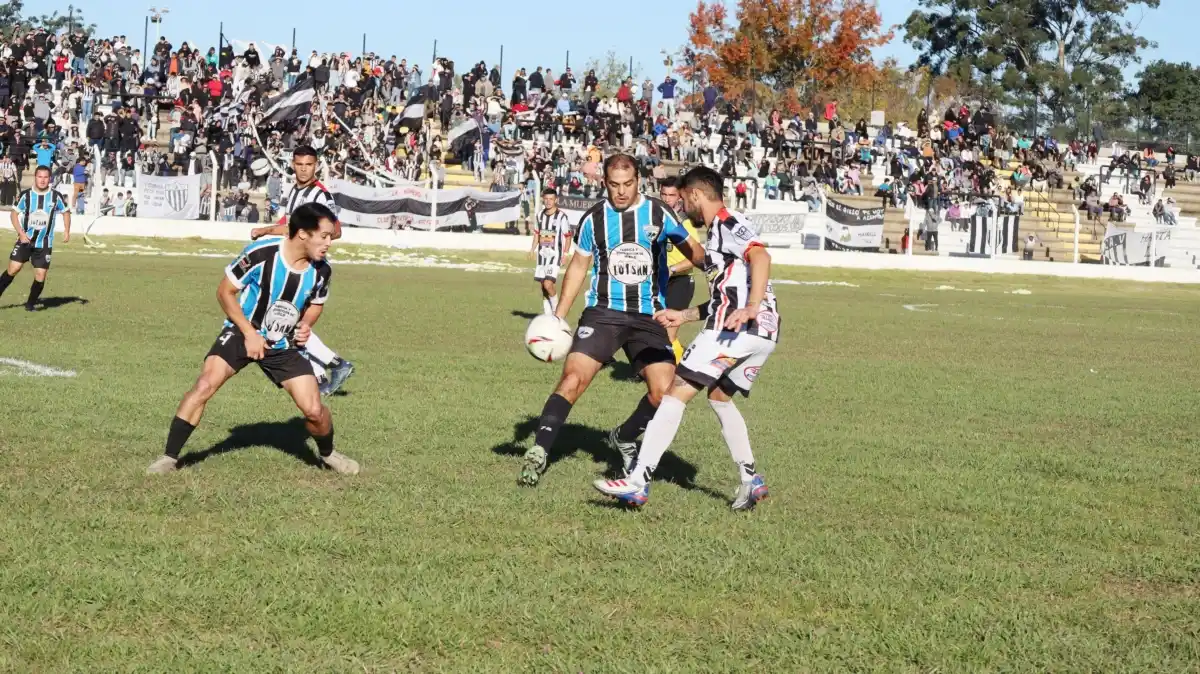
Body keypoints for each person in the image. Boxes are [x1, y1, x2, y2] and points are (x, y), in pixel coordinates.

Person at [593, 166, 781, 510]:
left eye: (683, 199)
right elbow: (727, 293)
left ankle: (637, 482)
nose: (681, 206)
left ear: (696, 195)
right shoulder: (721, 234)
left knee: (673, 393)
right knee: (720, 397)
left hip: (737, 328)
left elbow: (761, 255)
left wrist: (751, 307)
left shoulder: (726, 222)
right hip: (763, 333)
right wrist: (685, 315)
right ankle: (750, 480)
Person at [518, 154, 705, 486]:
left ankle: (624, 435)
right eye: (615, 185)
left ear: (639, 182)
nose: (621, 192)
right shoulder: (594, 219)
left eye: (628, 184)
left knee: (664, 393)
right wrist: (559, 316)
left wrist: (718, 269)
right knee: (573, 379)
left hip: (649, 316)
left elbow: (692, 249)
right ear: (604, 183)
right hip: (603, 313)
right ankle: (540, 451)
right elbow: (578, 266)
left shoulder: (658, 213)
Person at [146, 203, 359, 475]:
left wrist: (305, 325)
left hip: (283, 344)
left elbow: (316, 304)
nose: (330, 242)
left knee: (315, 411)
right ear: (303, 233)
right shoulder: (262, 252)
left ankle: (329, 455)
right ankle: (169, 458)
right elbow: (225, 292)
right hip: (242, 331)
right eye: (325, 236)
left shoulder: (322, 270)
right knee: (204, 385)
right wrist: (249, 333)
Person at [249, 146, 355, 396]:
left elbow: (336, 229)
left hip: (310, 266)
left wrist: (312, 237)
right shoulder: (295, 190)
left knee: (289, 318)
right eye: (299, 164)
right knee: (291, 319)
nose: (304, 169)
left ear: (316, 165)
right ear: (293, 165)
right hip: (294, 261)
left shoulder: (320, 195)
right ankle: (319, 378)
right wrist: (269, 229)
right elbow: (289, 225)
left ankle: (336, 364)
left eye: (309, 164)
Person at [0, 166, 70, 311]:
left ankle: (30, 305)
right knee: (13, 269)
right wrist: (21, 233)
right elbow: (13, 214)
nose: (42, 180)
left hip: (44, 243)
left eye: (45, 177)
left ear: (49, 179)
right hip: (25, 240)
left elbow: (66, 212)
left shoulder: (56, 196)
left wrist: (67, 231)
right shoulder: (26, 195)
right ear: (35, 177)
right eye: (40, 177)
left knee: (40, 275)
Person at [656, 176, 703, 363]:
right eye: (663, 194)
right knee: (651, 329)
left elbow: (696, 257)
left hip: (680, 281)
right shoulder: (654, 218)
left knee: (668, 332)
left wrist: (671, 269)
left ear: (680, 197)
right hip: (659, 280)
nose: (667, 199)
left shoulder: (687, 223)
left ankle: (675, 369)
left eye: (672, 195)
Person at [528, 187, 573, 315]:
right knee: (543, 286)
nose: (548, 201)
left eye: (551, 199)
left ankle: (556, 310)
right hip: (542, 255)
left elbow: (568, 236)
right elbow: (537, 233)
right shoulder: (539, 215)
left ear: (555, 200)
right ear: (543, 199)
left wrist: (565, 253)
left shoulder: (561, 217)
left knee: (548, 284)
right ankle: (548, 315)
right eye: (546, 199)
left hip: (555, 255)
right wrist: (532, 249)